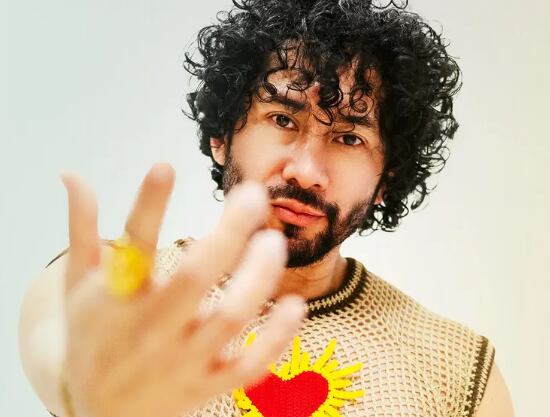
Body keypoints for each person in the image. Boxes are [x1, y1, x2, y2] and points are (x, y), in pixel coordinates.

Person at [18, 0, 514, 416]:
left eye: (348, 138)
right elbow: (56, 349)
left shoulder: (458, 370)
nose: (306, 170)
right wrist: (93, 391)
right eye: (282, 119)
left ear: (388, 179)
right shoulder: (100, 285)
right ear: (221, 135)